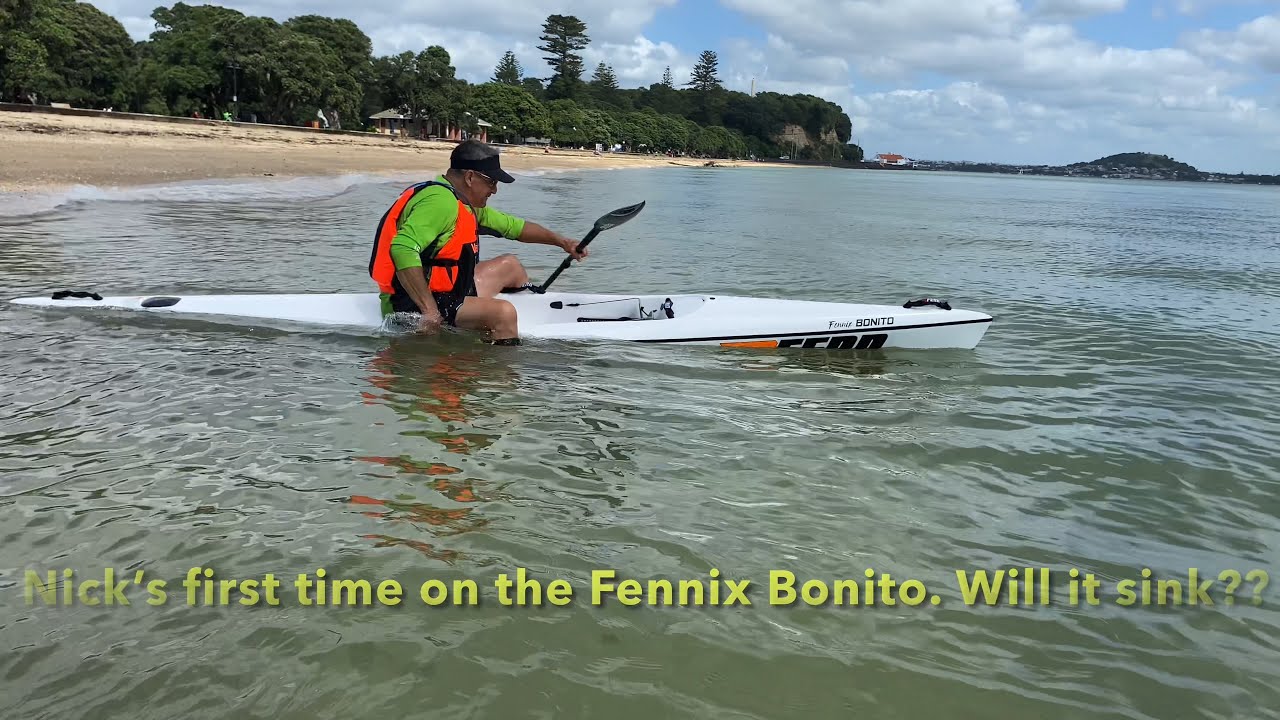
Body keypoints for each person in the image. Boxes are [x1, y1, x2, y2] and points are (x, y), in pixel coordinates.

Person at [368, 139, 586, 344]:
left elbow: (515, 227)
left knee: (510, 265)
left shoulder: (462, 202)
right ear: (470, 177)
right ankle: (503, 373)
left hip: (449, 291)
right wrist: (429, 311)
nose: (495, 189)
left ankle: (505, 315)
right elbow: (403, 248)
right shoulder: (440, 203)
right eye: (491, 181)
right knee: (504, 313)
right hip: (412, 302)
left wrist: (563, 242)